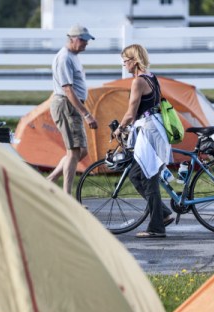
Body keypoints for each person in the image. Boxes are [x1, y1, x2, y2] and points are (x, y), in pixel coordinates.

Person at [112, 44, 174, 238]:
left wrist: (120, 129)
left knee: (149, 178)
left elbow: (131, 112)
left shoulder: (138, 81)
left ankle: (156, 228)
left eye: (125, 61)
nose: (124, 65)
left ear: (134, 61)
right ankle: (162, 213)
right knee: (136, 175)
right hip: (153, 127)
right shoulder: (152, 77)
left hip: (149, 131)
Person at [47, 24, 98, 195]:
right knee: (74, 151)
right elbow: (67, 89)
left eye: (87, 40)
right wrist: (87, 114)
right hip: (66, 105)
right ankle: (66, 198)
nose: (86, 44)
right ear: (72, 39)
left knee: (80, 150)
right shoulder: (64, 58)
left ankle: (51, 179)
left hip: (71, 106)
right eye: (83, 40)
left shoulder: (73, 56)